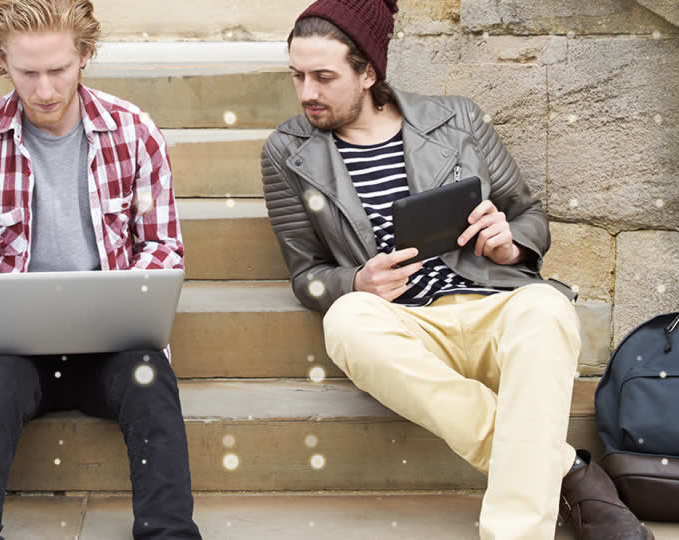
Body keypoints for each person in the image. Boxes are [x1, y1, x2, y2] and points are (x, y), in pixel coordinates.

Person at [260, 1, 652, 539]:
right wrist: (355, 281)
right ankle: (564, 468)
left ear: (369, 71)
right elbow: (306, 274)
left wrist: (509, 244)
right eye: (297, 75)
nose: (307, 93)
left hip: (494, 304)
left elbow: (527, 213)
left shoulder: (457, 119)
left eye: (324, 77)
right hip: (404, 324)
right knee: (346, 321)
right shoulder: (288, 151)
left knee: (548, 308)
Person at [0, 1, 202, 538]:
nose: (45, 89)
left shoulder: (135, 133)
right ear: (1, 60)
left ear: (85, 54)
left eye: (58, 70)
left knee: (149, 374)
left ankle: (168, 533)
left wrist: (134, 295)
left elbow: (162, 246)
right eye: (27, 72)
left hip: (112, 351)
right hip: (17, 355)